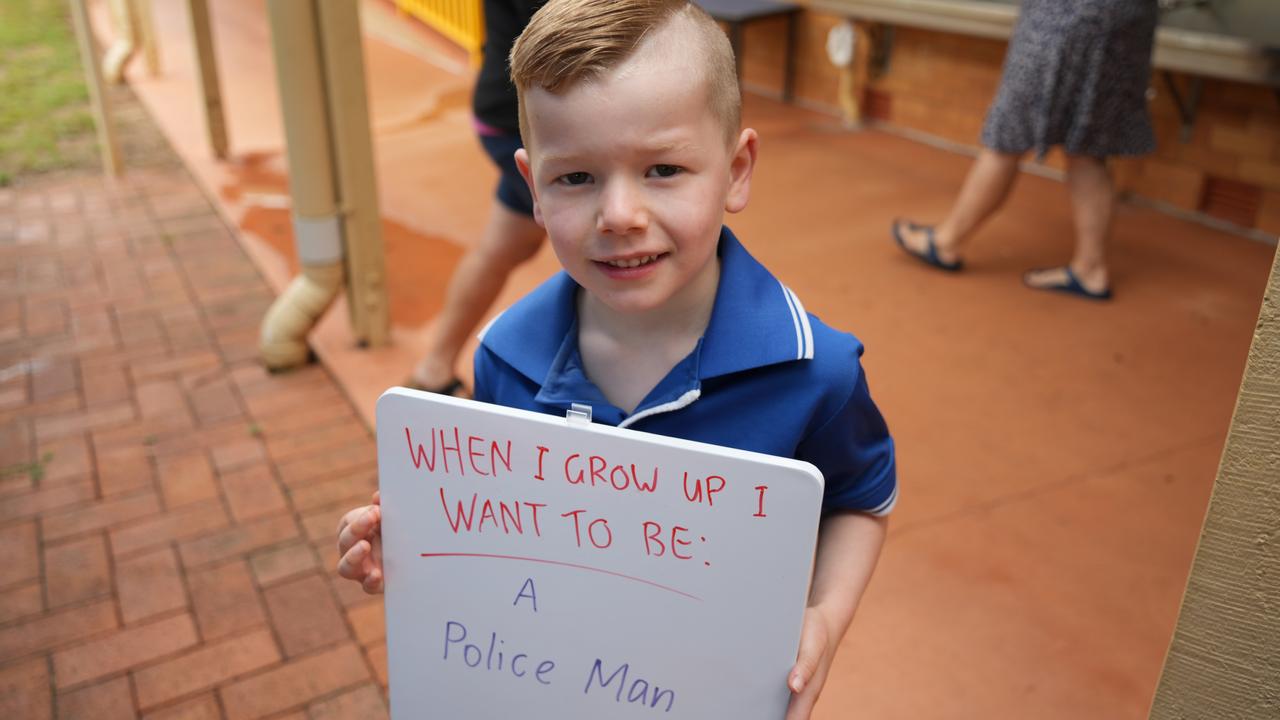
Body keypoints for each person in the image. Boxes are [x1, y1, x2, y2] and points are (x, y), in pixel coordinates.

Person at [338, 1, 897, 716]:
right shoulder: (506, 357)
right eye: (575, 178)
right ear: (532, 187)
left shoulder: (813, 371)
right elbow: (496, 526)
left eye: (663, 168)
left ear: (735, 170)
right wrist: (420, 544)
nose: (620, 215)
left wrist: (826, 615)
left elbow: (860, 499)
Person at [891, 0, 1159, 300]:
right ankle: (1090, 268)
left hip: (1068, 18)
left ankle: (945, 242)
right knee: (1088, 147)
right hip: (1124, 19)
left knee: (1007, 133)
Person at [407, 0, 547, 395]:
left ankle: (433, 370)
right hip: (523, 124)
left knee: (507, 245)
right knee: (608, 252)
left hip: (510, 115)